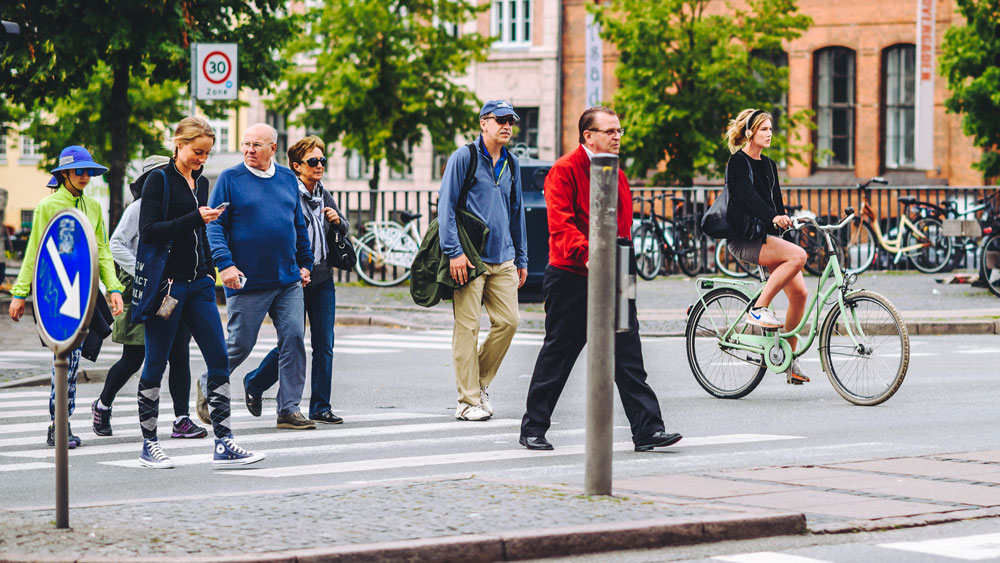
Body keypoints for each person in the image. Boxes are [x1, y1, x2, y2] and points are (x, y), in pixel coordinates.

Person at [518, 106, 682, 452]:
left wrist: (622, 261)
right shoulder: (564, 170)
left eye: (619, 131)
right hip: (573, 273)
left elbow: (622, 225)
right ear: (588, 135)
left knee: (628, 353)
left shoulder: (616, 174)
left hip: (617, 269)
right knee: (559, 352)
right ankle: (533, 427)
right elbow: (560, 225)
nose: (618, 136)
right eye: (610, 131)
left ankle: (648, 430)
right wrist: (589, 254)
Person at [135, 116, 263, 469]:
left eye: (206, 153)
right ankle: (149, 444)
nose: (201, 159)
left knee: (219, 359)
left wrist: (211, 272)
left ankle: (224, 442)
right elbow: (148, 232)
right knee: (156, 362)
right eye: (197, 151)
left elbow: (202, 234)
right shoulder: (158, 181)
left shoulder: (202, 182)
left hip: (200, 286)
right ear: (178, 144)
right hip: (168, 288)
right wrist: (195, 218)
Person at [8, 145, 125, 448]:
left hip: (84, 293)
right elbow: (34, 250)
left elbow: (102, 250)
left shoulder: (94, 207)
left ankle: (60, 422)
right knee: (65, 360)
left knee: (71, 361)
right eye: (79, 171)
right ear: (64, 174)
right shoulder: (47, 207)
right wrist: (19, 294)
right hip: (56, 294)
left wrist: (113, 288)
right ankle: (59, 423)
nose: (85, 176)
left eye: (88, 171)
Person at [204, 123, 315, 430]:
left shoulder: (286, 179)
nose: (249, 150)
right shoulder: (230, 179)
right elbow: (214, 225)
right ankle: (207, 384)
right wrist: (224, 264)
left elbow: (297, 225)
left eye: (256, 145)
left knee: (294, 337)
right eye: (246, 144)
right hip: (246, 279)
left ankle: (289, 407)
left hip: (287, 278)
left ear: (273, 149)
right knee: (240, 344)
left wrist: (305, 262)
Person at [91, 155, 207, 439]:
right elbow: (116, 244)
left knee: (179, 353)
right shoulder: (139, 208)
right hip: (145, 289)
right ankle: (103, 405)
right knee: (135, 356)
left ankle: (181, 419)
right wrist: (145, 271)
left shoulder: (184, 206)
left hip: (176, 289)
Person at [243, 136, 348, 425]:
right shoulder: (288, 192)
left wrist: (337, 220)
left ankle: (320, 406)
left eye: (322, 161)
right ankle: (255, 382)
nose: (319, 166)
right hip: (296, 277)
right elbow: (281, 232)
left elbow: (344, 226)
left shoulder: (323, 193)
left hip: (323, 276)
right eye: (313, 161)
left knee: (325, 342)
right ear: (296, 166)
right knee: (292, 342)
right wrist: (295, 266)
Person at [438, 100, 527, 421]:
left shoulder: (512, 163)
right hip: (469, 257)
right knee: (468, 328)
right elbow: (445, 206)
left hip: (503, 257)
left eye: (511, 122)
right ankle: (467, 401)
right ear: (483, 123)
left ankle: (478, 383)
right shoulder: (465, 157)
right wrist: (454, 252)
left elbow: (517, 213)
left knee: (509, 322)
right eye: (500, 120)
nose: (507, 126)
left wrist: (521, 257)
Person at [722, 108, 809, 384]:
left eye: (771, 129)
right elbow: (748, 197)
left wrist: (789, 220)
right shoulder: (738, 163)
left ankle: (789, 362)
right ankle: (759, 308)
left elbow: (776, 205)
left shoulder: (770, 166)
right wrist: (772, 216)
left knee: (800, 295)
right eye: (763, 129)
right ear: (749, 132)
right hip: (744, 240)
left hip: (766, 239)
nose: (769, 133)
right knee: (799, 257)